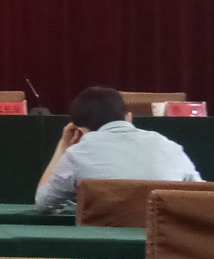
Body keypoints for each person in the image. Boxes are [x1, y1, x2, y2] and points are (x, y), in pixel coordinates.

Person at [34, 85, 203, 214]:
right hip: (163, 241)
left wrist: (62, 148)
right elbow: (200, 195)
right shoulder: (169, 146)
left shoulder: (77, 154)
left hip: (101, 245)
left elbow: (43, 204)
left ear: (77, 129)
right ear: (128, 117)